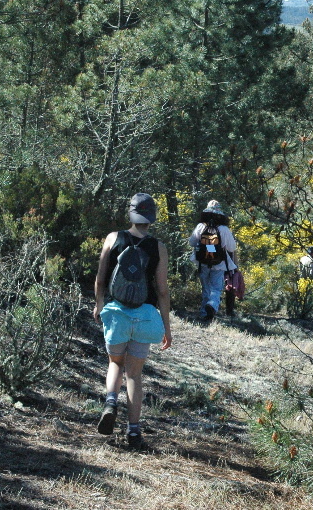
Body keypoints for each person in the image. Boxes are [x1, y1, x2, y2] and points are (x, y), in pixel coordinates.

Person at [93, 192, 172, 449]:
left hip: (116, 312)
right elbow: (161, 290)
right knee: (135, 375)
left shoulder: (113, 238)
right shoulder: (158, 248)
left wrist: (99, 304)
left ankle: (111, 402)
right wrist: (166, 328)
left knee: (115, 362)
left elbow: (101, 277)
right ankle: (134, 432)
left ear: (131, 213)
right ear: (152, 218)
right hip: (144, 314)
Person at [189, 200, 238, 321]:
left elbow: (192, 243)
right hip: (219, 262)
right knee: (216, 288)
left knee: (205, 287)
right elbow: (232, 248)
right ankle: (211, 305)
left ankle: (204, 313)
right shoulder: (224, 229)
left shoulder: (201, 226)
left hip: (202, 262)